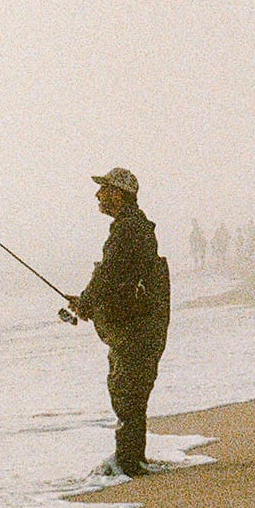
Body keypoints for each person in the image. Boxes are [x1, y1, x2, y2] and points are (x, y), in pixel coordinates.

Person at [66, 168, 171, 479]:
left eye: (104, 190)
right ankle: (131, 459)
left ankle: (128, 463)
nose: (98, 196)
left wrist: (86, 303)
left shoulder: (128, 230)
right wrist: (89, 303)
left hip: (135, 328)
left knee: (127, 390)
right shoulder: (134, 227)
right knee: (130, 391)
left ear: (119, 194)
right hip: (140, 324)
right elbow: (118, 280)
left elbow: (109, 274)